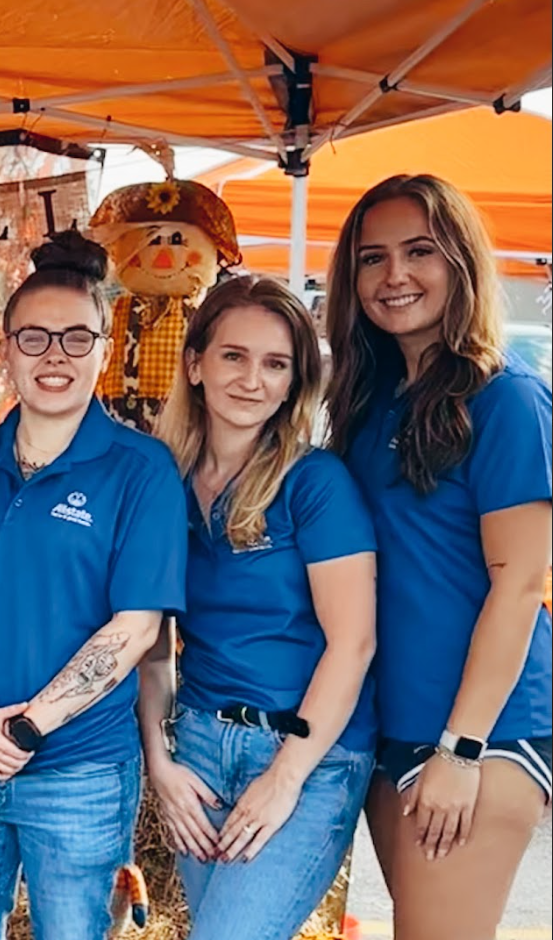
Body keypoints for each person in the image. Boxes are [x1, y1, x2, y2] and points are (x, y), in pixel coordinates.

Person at [0, 231, 186, 940]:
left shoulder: (141, 470)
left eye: (75, 337)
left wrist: (28, 726)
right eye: (33, 338)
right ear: (5, 349)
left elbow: (135, 628)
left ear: (102, 345)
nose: (54, 356)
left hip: (78, 772)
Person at [325, 174, 552, 939]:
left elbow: (520, 585)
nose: (394, 276)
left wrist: (461, 749)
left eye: (419, 251)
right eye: (372, 257)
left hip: (477, 734)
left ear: (460, 261)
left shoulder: (506, 398)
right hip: (389, 726)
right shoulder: (372, 401)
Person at [143, 274, 377, 938]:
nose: (253, 379)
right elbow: (152, 644)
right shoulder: (166, 482)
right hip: (199, 746)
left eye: (276, 364)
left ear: (294, 382)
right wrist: (162, 762)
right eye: (233, 356)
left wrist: (286, 777)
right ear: (195, 364)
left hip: (306, 752)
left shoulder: (315, 483)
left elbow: (353, 643)